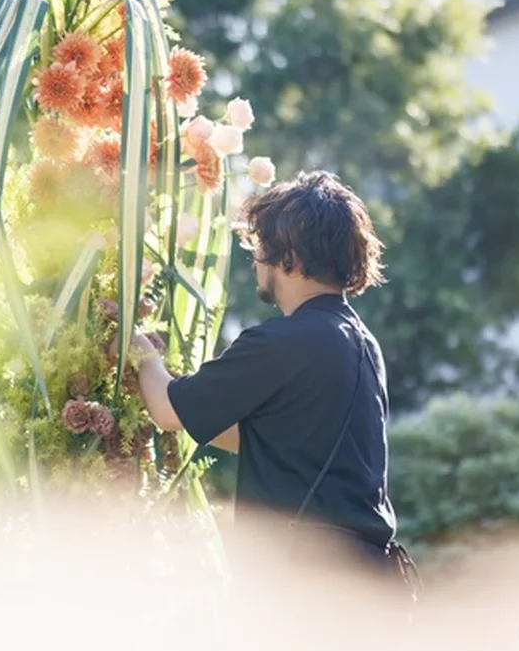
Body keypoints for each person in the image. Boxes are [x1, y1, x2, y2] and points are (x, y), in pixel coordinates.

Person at [132, 170, 419, 602]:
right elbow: (279, 442)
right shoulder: (360, 342)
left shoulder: (280, 343)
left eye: (261, 246)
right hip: (370, 580)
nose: (256, 261)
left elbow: (168, 411)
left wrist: (137, 347)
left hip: (305, 587)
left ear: (291, 256)